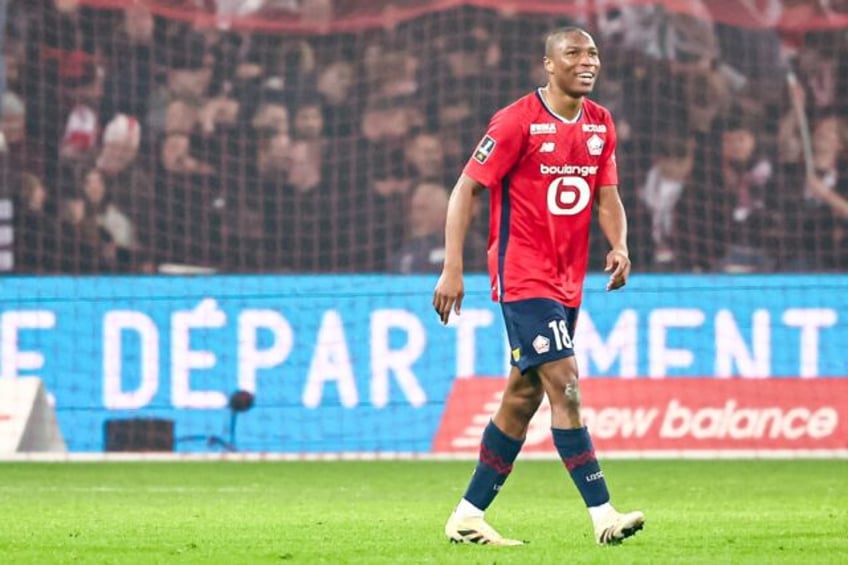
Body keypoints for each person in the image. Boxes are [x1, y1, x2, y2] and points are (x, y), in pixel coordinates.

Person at [433, 27, 645, 547]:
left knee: (521, 399)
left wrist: (618, 244)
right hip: (523, 274)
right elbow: (465, 188)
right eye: (573, 53)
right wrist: (452, 267)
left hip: (568, 280)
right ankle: (603, 517)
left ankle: (466, 516)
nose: (587, 61)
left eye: (592, 53)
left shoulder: (600, 124)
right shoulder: (516, 121)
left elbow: (607, 197)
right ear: (548, 64)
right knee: (565, 385)